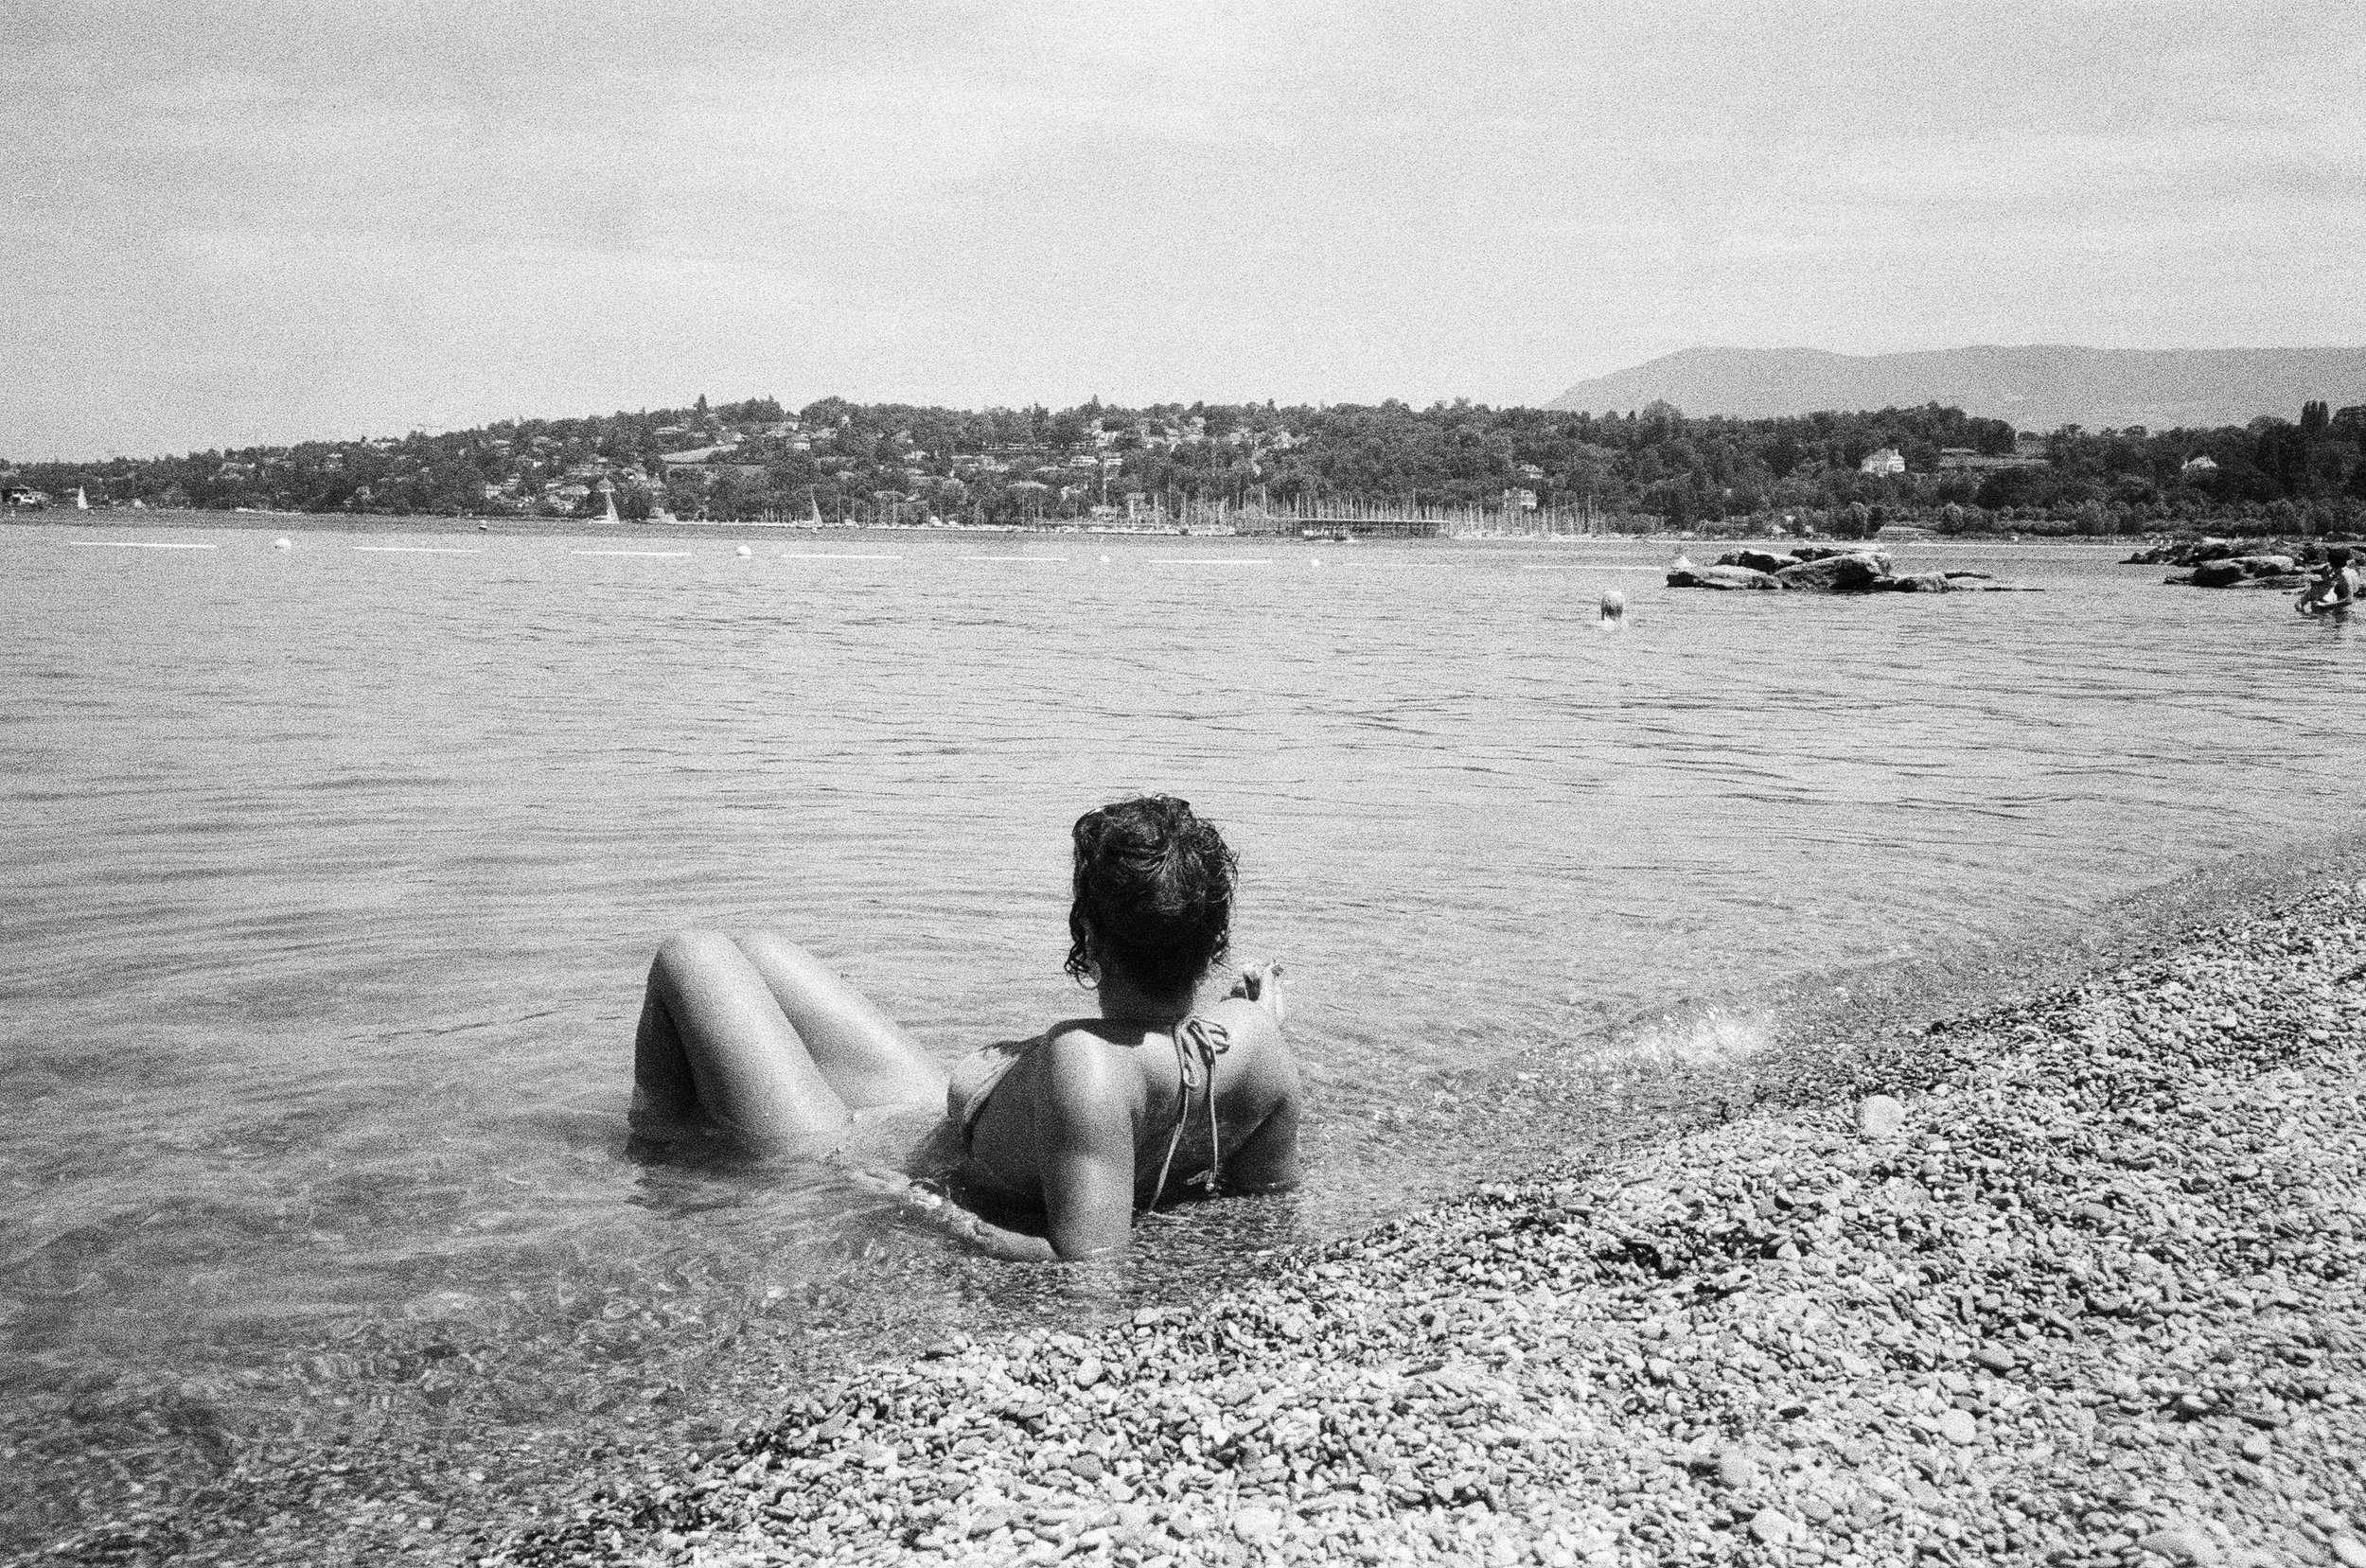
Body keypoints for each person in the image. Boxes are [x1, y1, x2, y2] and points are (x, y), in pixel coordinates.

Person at [627, 796, 1300, 1261]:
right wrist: (1244, 1023)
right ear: (1212, 945)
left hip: (837, 1153)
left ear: (1090, 938)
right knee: (754, 949)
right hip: (922, 1114)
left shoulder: (1088, 1065)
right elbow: (1265, 1204)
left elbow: (1087, 1263)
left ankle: (657, 1156)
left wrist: (922, 1206)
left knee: (692, 953)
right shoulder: (1257, 1041)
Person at [2297, 547, 2357, 615]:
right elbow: (2299, 603)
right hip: (2321, 618)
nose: (2332, 575)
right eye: (2327, 573)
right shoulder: (2314, 590)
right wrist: (2305, 614)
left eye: (2332, 572)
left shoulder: (2339, 584)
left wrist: (2323, 605)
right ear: (2323, 576)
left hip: (2337, 615)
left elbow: (2349, 600)